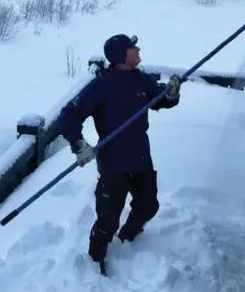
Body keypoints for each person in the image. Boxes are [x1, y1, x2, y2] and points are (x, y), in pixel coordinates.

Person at [57, 33, 182, 264]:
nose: (138, 50)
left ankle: (127, 237)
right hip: (114, 163)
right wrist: (78, 143)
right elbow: (69, 115)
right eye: (132, 48)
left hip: (141, 157)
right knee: (107, 219)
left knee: (148, 206)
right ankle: (95, 261)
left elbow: (161, 99)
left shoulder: (142, 80)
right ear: (120, 56)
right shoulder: (101, 85)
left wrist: (172, 94)